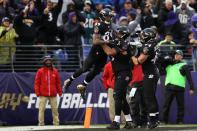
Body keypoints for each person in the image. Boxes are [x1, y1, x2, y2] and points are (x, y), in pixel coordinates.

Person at [63, 8, 114, 100]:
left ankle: (83, 85)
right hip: (96, 51)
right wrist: (109, 41)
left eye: (110, 16)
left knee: (97, 71)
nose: (109, 18)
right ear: (103, 17)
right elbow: (95, 41)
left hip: (104, 52)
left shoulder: (110, 24)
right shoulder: (99, 25)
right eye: (107, 16)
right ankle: (69, 80)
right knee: (85, 68)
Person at [99, 26, 134, 130]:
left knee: (117, 96)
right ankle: (129, 121)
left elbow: (110, 52)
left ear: (123, 34)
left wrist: (102, 43)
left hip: (124, 73)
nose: (117, 34)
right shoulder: (119, 42)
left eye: (119, 33)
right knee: (122, 98)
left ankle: (116, 122)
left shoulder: (123, 43)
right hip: (121, 73)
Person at [131, 28, 159, 129]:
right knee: (150, 97)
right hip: (151, 72)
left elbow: (139, 61)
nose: (141, 37)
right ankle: (155, 118)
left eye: (143, 35)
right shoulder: (152, 43)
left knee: (149, 97)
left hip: (150, 73)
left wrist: (132, 54)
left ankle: (153, 120)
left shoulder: (149, 45)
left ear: (148, 36)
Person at [162, 50, 195, 124]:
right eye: (176, 54)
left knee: (180, 106)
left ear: (182, 57)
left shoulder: (184, 65)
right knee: (166, 105)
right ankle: (164, 120)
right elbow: (161, 63)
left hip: (179, 88)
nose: (177, 55)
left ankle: (180, 120)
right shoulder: (168, 65)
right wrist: (167, 56)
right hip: (169, 88)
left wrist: (192, 88)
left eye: (179, 54)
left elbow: (189, 77)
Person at [34, 55, 62, 126]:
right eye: (47, 60)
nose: (48, 62)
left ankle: (56, 123)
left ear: (51, 61)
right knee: (41, 109)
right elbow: (37, 83)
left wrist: (60, 92)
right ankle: (41, 124)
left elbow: (58, 83)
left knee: (55, 110)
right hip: (43, 94)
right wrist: (37, 92)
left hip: (53, 94)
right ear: (44, 62)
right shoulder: (40, 71)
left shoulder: (55, 71)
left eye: (49, 60)